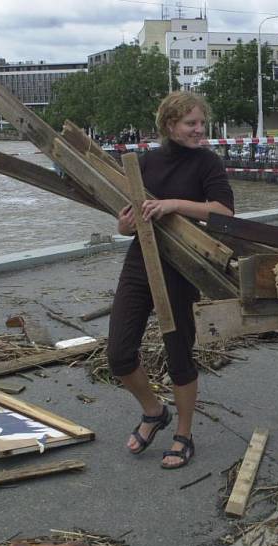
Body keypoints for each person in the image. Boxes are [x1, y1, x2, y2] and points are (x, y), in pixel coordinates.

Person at [107, 91, 235, 468]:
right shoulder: (146, 163)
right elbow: (124, 220)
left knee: (179, 353)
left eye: (201, 123)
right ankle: (152, 411)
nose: (199, 130)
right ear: (169, 125)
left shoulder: (208, 163)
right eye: (190, 124)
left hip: (183, 264)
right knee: (118, 353)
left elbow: (225, 211)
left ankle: (183, 434)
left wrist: (174, 205)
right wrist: (124, 224)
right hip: (141, 261)